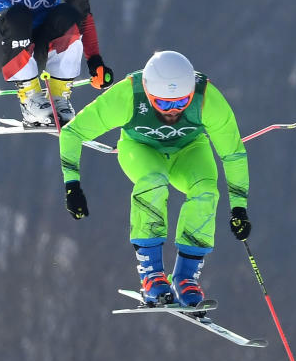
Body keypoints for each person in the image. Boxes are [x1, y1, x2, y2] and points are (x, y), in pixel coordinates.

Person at [58, 50, 251, 307]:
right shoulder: (128, 95)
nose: (173, 112)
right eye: (164, 104)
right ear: (148, 95)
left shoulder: (207, 100)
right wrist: (72, 185)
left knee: (206, 191)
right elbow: (72, 133)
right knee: (153, 181)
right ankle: (151, 276)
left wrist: (239, 208)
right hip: (141, 149)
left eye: (181, 103)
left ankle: (185, 278)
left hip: (189, 150)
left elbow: (233, 154)